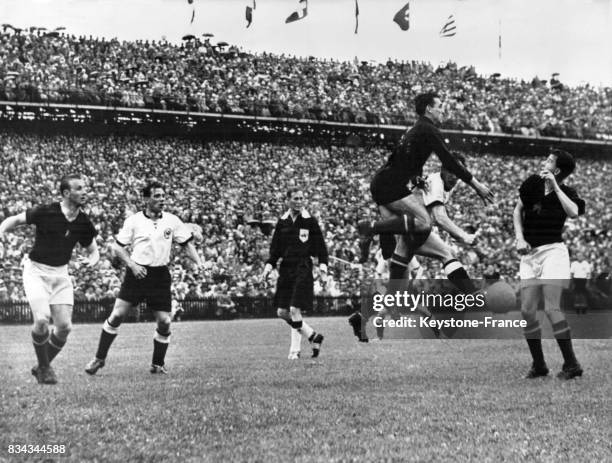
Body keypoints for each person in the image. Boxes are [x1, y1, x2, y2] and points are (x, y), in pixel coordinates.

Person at [350, 152, 482, 341]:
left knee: (398, 290)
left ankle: (361, 318)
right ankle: (472, 295)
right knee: (445, 254)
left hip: (409, 228)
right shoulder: (436, 183)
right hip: (410, 227)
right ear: (443, 168)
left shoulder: (444, 183)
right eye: (452, 171)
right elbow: (439, 217)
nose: (455, 177)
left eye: (459, 174)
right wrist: (463, 235)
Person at [85, 181, 202, 375]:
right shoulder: (134, 221)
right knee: (116, 315)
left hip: (160, 275)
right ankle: (99, 359)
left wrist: (199, 263)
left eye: (163, 196)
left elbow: (187, 244)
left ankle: (157, 364)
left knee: (164, 321)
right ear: (146, 199)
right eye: (157, 196)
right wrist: (132, 264)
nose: (162, 199)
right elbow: (117, 247)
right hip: (136, 273)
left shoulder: (172, 221)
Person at [0, 174, 99, 384]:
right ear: (66, 193)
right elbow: (15, 220)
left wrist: (92, 260)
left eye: (85, 188)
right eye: (79, 188)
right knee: (43, 319)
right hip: (36, 271)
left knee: (64, 327)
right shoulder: (46, 211)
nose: (85, 192)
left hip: (60, 274)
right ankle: (45, 368)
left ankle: (41, 366)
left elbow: (93, 250)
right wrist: (0, 231)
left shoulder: (83, 221)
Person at [513, 149, 585, 380]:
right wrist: (519, 237)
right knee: (527, 311)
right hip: (530, 253)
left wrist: (555, 186)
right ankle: (539, 365)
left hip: (553, 252)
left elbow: (573, 213)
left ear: (557, 169)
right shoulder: (532, 183)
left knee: (552, 307)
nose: (544, 161)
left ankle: (571, 364)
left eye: (549, 160)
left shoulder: (568, 192)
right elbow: (518, 210)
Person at [261, 188, 327, 359]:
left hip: (303, 267)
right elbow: (275, 251)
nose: (299, 201)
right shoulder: (282, 222)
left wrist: (323, 269)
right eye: (296, 198)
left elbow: (321, 247)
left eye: (301, 198)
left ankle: (294, 352)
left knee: (294, 309)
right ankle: (313, 336)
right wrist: (268, 268)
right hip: (286, 269)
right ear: (288, 200)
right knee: (282, 313)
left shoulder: (310, 221)